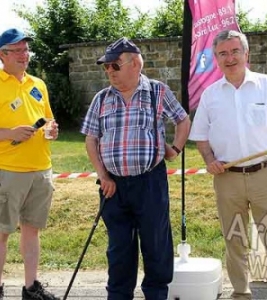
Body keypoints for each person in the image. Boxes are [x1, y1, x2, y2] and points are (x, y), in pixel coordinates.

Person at [189, 29, 267, 300]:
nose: (230, 58)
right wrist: (210, 160)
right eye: (223, 53)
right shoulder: (210, 95)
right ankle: (241, 292)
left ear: (246, 53)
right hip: (227, 178)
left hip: (264, 174)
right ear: (215, 58)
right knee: (234, 238)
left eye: (235, 51)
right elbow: (201, 137)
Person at [81, 37, 190, 300]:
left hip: (150, 182)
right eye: (106, 67)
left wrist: (174, 149)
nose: (109, 72)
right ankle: (118, 295)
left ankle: (156, 294)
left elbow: (183, 120)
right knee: (119, 249)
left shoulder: (157, 91)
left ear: (135, 63)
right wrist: (102, 175)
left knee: (156, 244)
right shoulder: (101, 98)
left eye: (114, 66)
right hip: (113, 186)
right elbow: (91, 139)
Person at [0, 28, 59, 300]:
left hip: (40, 169)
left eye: (26, 50)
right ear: (3, 55)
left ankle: (31, 288)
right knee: (1, 233)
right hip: (7, 171)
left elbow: (48, 119)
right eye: (18, 50)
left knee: (32, 231)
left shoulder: (38, 83)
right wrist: (10, 134)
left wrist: (52, 129)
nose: (25, 55)